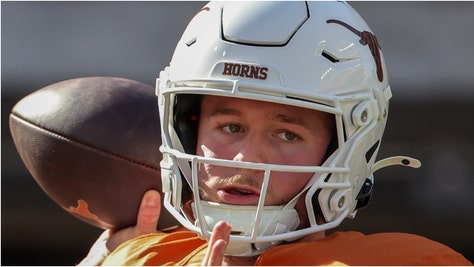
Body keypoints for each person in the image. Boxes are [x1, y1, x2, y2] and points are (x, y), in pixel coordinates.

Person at [80, 1, 472, 265]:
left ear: (345, 149)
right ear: (187, 128)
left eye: (287, 135)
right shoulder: (140, 258)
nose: (245, 158)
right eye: (230, 127)